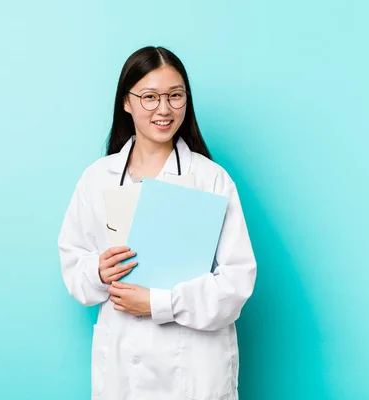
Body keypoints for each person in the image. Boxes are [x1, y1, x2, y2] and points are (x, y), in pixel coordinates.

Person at [58, 46, 257, 400]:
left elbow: (236, 283)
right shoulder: (97, 179)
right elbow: (74, 266)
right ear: (126, 102)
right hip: (121, 367)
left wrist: (158, 304)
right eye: (149, 97)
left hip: (194, 369)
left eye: (174, 96)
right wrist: (98, 272)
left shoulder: (210, 179)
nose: (164, 109)